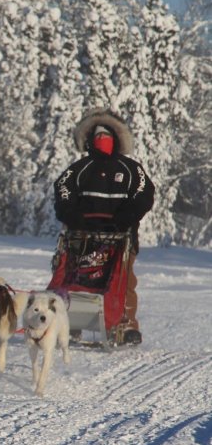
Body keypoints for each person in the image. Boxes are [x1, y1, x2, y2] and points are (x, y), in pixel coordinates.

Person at [53, 108, 155, 345]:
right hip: (82, 236)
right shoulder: (79, 169)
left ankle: (126, 323)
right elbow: (63, 192)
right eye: (97, 137)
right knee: (77, 277)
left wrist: (125, 218)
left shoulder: (131, 170)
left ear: (117, 139)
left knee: (124, 280)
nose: (102, 141)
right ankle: (72, 321)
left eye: (106, 136)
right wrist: (73, 217)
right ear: (88, 140)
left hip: (121, 236)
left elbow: (144, 196)